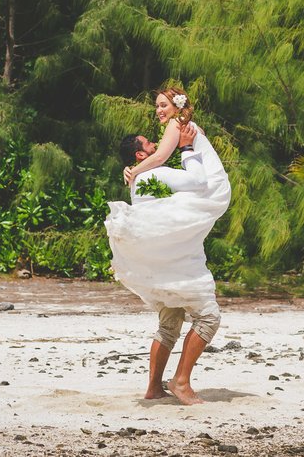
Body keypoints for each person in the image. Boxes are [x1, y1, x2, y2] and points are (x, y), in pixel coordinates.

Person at [105, 86, 231, 405]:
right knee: (208, 317)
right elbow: (181, 170)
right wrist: (188, 150)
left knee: (170, 321)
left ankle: (153, 388)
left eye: (163, 104)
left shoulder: (144, 177)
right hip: (210, 190)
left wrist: (134, 171)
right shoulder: (155, 169)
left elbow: (162, 170)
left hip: (159, 263)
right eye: (158, 105)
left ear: (176, 106)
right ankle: (181, 381)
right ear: (139, 156)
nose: (159, 111)